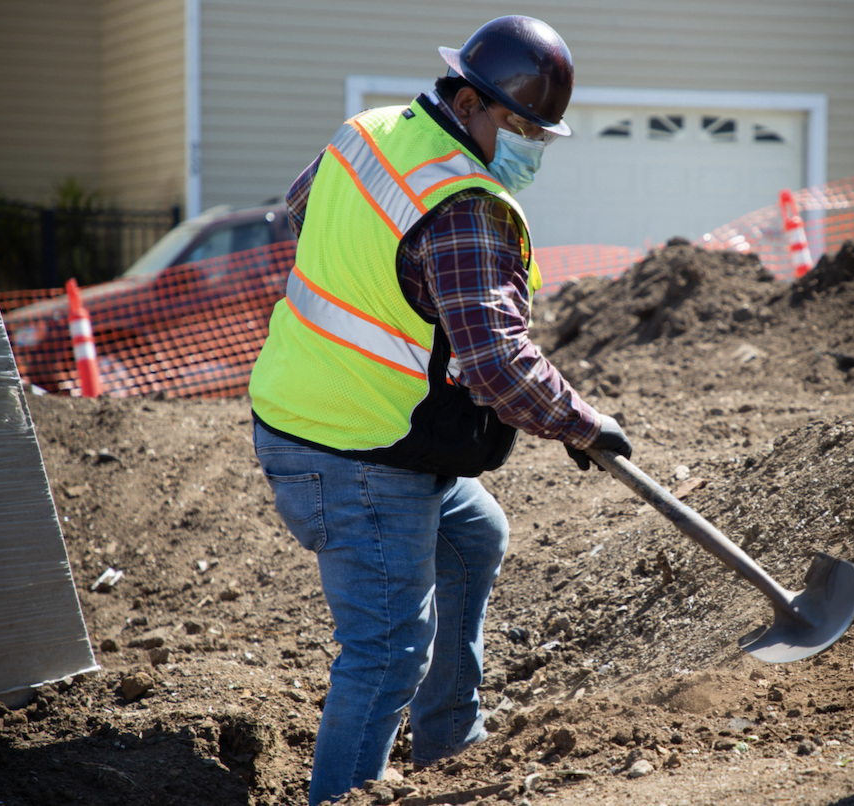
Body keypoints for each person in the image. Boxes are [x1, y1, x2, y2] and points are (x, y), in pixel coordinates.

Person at [248, 15, 632, 805]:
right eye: (522, 127)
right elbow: (495, 362)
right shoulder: (465, 206)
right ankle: (342, 795)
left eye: (542, 134)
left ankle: (449, 751)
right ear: (470, 101)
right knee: (388, 649)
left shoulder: (370, 132)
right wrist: (583, 424)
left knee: (472, 538)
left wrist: (390, 294)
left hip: (328, 411)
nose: (532, 146)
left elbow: (298, 212)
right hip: (353, 448)